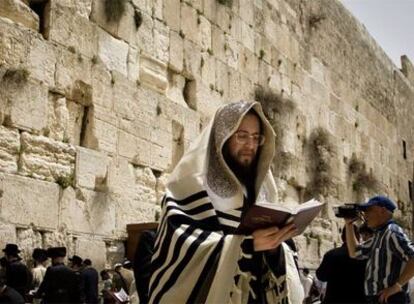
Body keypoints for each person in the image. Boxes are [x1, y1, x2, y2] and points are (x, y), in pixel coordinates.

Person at [148, 101, 303, 303]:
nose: (250, 145)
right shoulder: (190, 187)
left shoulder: (262, 193)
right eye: (242, 136)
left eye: (256, 138)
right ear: (222, 138)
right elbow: (182, 251)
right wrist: (247, 244)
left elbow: (280, 264)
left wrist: (275, 248)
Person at [345, 195, 414, 303]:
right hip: (378, 299)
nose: (365, 215)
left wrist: (397, 286)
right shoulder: (379, 235)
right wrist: (349, 225)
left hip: (390, 299)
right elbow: (355, 252)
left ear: (382, 211)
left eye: (369, 210)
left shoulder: (392, 232)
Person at [316, 225, 366, 303]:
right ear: (359, 237)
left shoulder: (331, 254)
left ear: (342, 238)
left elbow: (321, 276)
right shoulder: (365, 256)